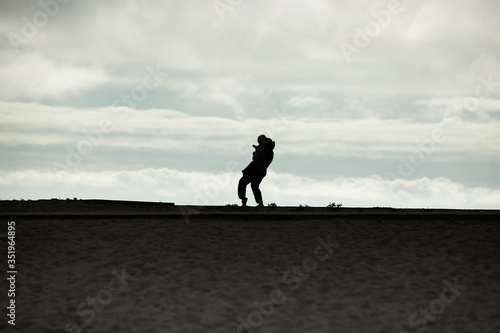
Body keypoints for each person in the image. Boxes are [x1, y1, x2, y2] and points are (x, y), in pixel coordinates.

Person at [238, 134, 275, 207]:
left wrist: (246, 169)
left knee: (242, 182)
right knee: (254, 186)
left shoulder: (265, 151)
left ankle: (243, 200)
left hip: (255, 170)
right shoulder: (271, 152)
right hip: (262, 171)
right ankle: (260, 203)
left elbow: (255, 161)